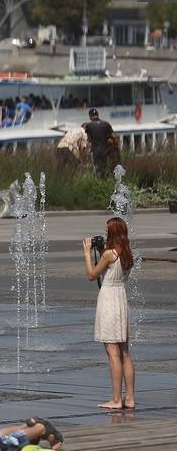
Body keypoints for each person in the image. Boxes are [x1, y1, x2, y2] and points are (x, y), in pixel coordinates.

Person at [84, 216, 135, 410]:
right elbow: (112, 263)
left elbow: (91, 275)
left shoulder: (108, 255)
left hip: (108, 300)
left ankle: (116, 399)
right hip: (121, 299)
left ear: (112, 233)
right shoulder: (127, 253)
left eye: (107, 232)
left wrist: (87, 253)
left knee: (112, 352)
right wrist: (101, 251)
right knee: (125, 352)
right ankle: (129, 398)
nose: (105, 235)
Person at [82, 108, 115, 175]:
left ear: (90, 116)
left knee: (97, 169)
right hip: (105, 150)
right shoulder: (106, 124)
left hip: (95, 150)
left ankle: (99, 182)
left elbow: (88, 139)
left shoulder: (89, 125)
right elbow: (113, 137)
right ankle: (104, 181)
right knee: (104, 167)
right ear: (98, 115)